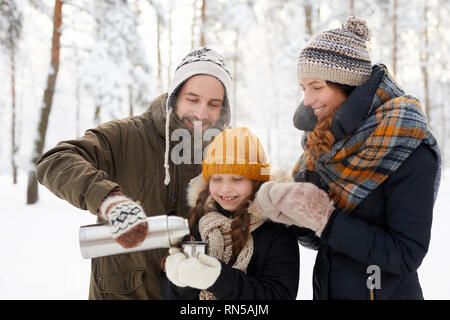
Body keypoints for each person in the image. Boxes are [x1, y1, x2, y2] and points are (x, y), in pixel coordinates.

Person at [255, 16, 441, 300]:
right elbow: (323, 240)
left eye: (316, 87)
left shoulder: (407, 144)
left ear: (347, 84)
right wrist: (292, 211)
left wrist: (325, 218)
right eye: (303, 88)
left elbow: (405, 254)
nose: (306, 100)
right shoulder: (325, 146)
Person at [36, 47, 233, 299]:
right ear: (174, 96)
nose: (202, 114)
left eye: (213, 104)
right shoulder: (126, 136)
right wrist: (109, 199)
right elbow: (55, 160)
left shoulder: (226, 154)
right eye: (192, 99)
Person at [161, 127, 325, 299]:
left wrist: (218, 279)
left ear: (255, 181)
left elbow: (279, 294)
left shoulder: (277, 228)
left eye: (237, 179)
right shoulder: (198, 220)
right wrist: (182, 281)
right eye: (217, 179)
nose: (225, 189)